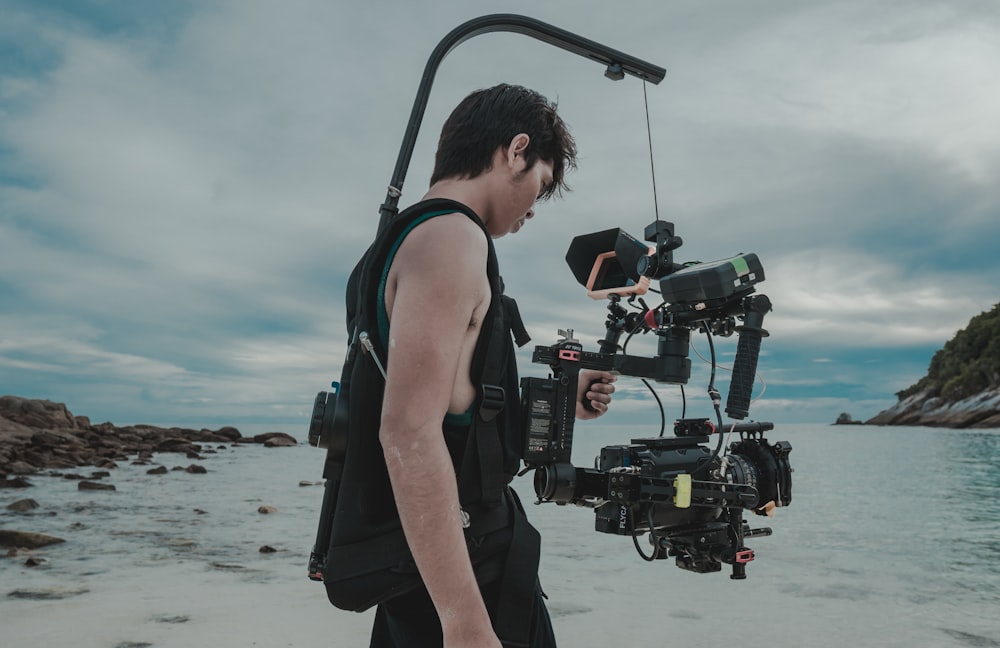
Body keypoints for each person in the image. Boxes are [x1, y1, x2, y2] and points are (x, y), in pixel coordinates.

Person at [348, 83, 616, 647]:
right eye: (539, 187)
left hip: (422, 560)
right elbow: (409, 434)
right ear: (516, 150)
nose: (531, 213)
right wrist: (464, 623)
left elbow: (454, 405)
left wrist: (565, 402)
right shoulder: (452, 237)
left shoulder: (402, 240)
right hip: (465, 573)